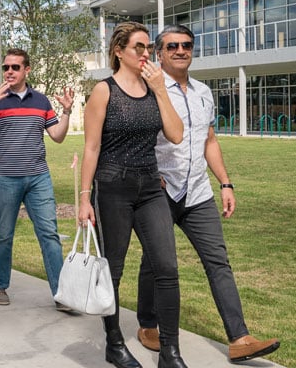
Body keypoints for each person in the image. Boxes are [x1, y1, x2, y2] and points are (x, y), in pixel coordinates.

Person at [135, 24, 280, 363]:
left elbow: (209, 140)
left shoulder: (203, 91)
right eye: (172, 46)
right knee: (155, 262)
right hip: (161, 191)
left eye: (186, 45)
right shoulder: (149, 91)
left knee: (218, 261)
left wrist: (225, 183)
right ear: (159, 52)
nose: (181, 51)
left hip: (198, 192)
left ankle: (240, 338)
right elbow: (137, 138)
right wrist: (150, 174)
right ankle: (147, 323)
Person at [78, 21, 186, 368]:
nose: (146, 54)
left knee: (166, 267)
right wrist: (83, 197)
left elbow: (176, 135)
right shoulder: (104, 91)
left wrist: (162, 90)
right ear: (119, 51)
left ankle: (170, 352)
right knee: (114, 270)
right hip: (112, 187)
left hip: (150, 186)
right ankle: (114, 344)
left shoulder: (156, 87)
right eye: (139, 47)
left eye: (148, 49)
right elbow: (91, 147)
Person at [0, 48, 74, 311]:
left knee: (49, 235)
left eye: (15, 67)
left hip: (38, 178)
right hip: (5, 177)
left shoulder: (41, 101)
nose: (9, 71)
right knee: (4, 234)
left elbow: (57, 136)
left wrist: (66, 112)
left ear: (27, 70)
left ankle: (62, 293)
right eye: (6, 67)